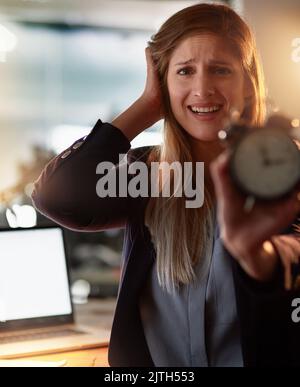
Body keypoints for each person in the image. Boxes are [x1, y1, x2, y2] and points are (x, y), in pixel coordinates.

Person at [32, 3, 300, 367]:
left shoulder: (285, 170)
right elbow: (57, 196)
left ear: (248, 86)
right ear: (163, 83)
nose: (202, 88)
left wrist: (259, 256)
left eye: (221, 70)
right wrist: (145, 107)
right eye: (185, 71)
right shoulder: (148, 175)